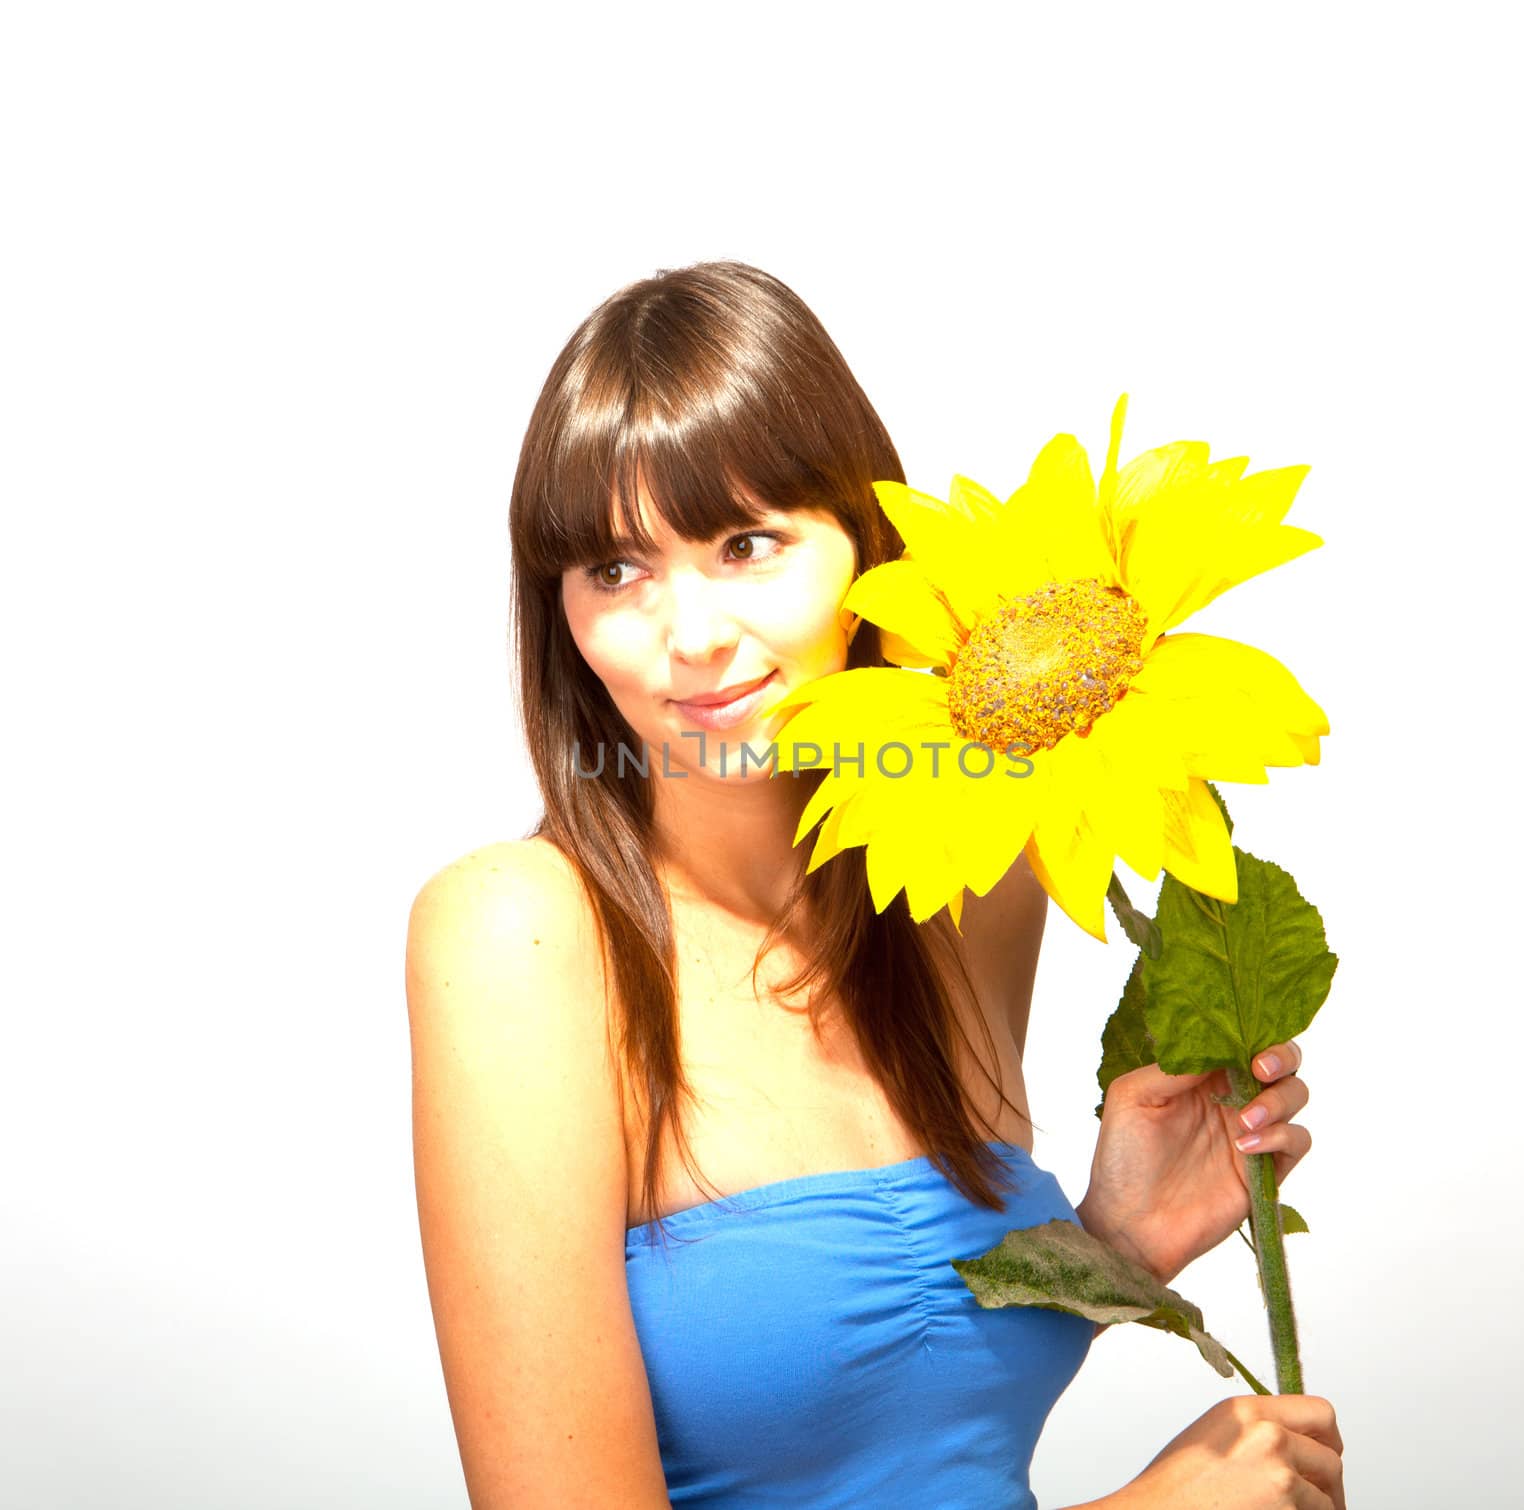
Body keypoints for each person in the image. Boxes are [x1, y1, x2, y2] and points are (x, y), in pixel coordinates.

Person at [404, 260, 1345, 1509]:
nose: (688, 636)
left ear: (865, 554)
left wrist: (1105, 1249)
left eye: (747, 544)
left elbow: (896, 1421)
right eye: (615, 572)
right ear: (559, 611)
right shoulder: (520, 936)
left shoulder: (966, 886)